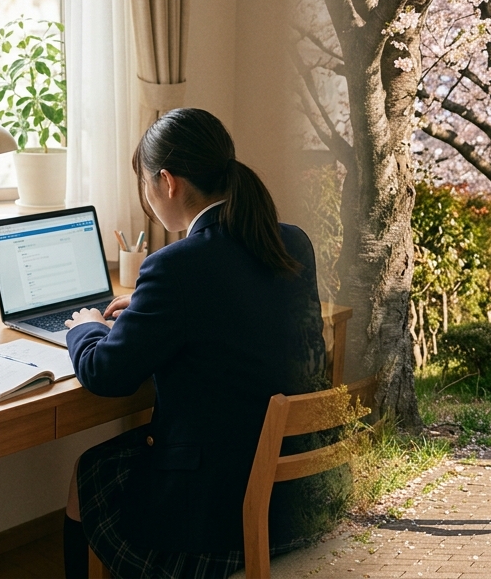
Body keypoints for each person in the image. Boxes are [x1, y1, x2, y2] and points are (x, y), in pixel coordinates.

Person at [61, 108, 346, 579]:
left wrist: (85, 326)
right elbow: (231, 313)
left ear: (168, 182)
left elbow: (104, 375)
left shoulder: (176, 267)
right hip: (298, 492)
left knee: (87, 471)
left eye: (147, 187)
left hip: (216, 513)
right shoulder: (292, 242)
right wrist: (148, 310)